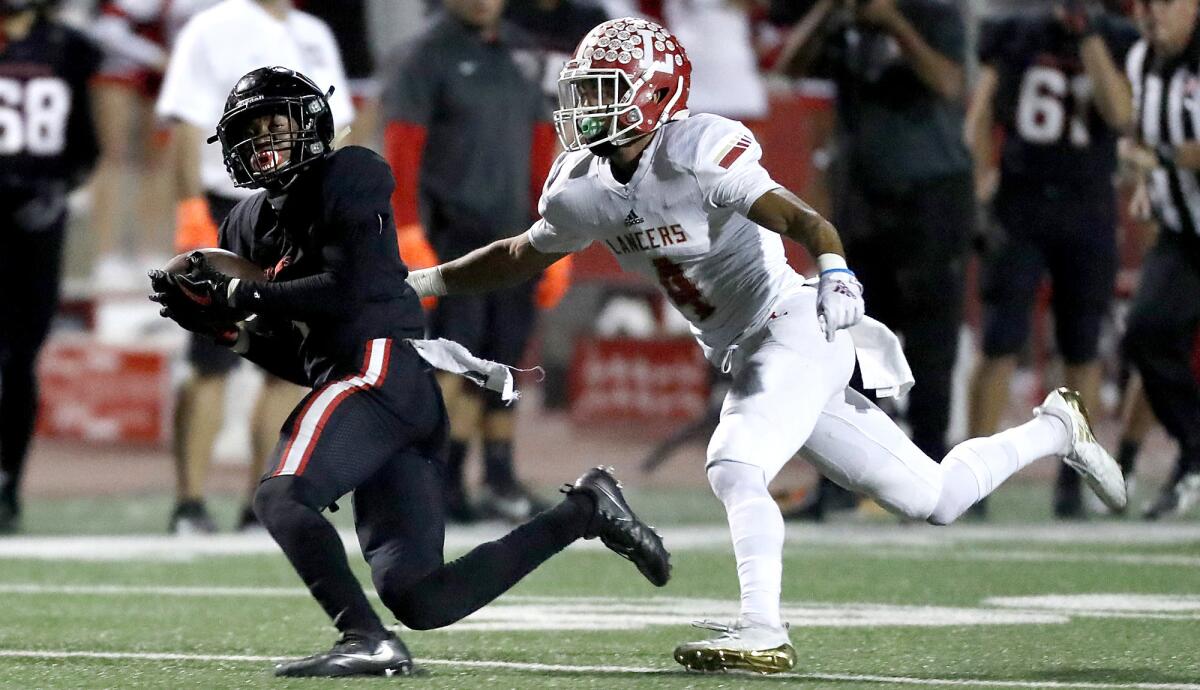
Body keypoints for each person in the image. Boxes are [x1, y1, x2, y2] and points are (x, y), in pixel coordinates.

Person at [404, 17, 1128, 673]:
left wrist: (837, 270)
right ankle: (1055, 428)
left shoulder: (696, 151)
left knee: (734, 459)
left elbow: (804, 220)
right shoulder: (581, 188)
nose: (585, 106)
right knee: (932, 496)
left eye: (602, 90)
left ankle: (762, 627)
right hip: (749, 350)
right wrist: (426, 282)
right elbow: (520, 254)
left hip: (793, 323)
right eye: (582, 90)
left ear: (653, 97)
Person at [148, 65, 670, 677]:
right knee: (423, 596)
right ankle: (586, 509)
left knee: (283, 496)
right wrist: (232, 336)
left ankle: (366, 639)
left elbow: (356, 286)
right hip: (375, 390)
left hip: (382, 371)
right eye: (251, 131)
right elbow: (308, 359)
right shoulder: (245, 225)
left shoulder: (350, 172)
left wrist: (243, 299)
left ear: (311, 125)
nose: (264, 141)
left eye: (276, 125)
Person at [154, 0, 348, 533]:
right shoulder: (211, 27)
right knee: (209, 356)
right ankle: (189, 503)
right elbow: (187, 127)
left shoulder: (315, 32)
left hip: (299, 213)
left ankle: (258, 503)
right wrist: (191, 210)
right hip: (231, 209)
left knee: (291, 363)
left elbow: (340, 130)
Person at [383, 0, 570, 524]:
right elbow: (402, 146)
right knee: (453, 361)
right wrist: (407, 230)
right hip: (452, 235)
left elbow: (542, 146)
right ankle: (436, 482)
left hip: (516, 236)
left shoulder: (523, 51)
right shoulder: (423, 55)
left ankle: (498, 477)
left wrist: (553, 233)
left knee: (504, 360)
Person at [779, 0, 974, 492]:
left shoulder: (934, 13)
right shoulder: (843, 20)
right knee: (849, 339)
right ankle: (846, 481)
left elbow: (950, 84)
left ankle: (933, 472)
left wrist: (895, 24)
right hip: (862, 202)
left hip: (931, 196)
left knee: (931, 345)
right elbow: (789, 66)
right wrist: (826, 11)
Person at [965, 1, 1138, 518]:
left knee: (1081, 348)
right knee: (1000, 339)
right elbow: (980, 115)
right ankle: (973, 479)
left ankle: (1072, 478)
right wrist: (981, 184)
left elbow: (1120, 114)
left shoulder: (1118, 37)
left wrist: (1087, 38)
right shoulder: (1016, 31)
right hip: (1022, 202)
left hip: (1088, 204)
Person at [0, 0, 102, 533]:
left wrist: (58, 188)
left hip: (37, 225)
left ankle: (7, 482)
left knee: (20, 360)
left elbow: (88, 145)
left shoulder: (68, 48)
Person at [1122, 0, 1200, 519]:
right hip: (1184, 231)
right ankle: (1194, 449)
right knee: (1147, 329)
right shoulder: (1140, 61)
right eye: (1145, 4)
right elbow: (1136, 141)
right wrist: (1143, 172)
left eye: (1166, 3)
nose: (1153, 14)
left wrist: (1160, 157)